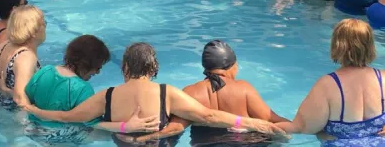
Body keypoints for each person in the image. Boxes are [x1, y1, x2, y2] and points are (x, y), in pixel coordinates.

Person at [23, 42, 283, 139]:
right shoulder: (166, 93)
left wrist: (32, 109)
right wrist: (255, 123)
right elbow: (209, 116)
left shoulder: (107, 96)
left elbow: (66, 118)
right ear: (154, 68)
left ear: (125, 67)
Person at [123, 40, 289, 144]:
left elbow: (174, 129)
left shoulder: (190, 92)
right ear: (233, 66)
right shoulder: (244, 88)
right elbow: (272, 121)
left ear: (205, 68)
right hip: (247, 142)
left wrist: (140, 139)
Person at [25, 35, 159, 139]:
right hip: (60, 137)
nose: (98, 72)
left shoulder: (46, 71)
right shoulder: (82, 88)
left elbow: (28, 96)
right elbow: (93, 124)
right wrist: (125, 127)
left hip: (32, 130)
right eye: (98, 67)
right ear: (87, 64)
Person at [0, 5, 45, 108]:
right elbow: (20, 99)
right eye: (43, 24)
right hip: (17, 115)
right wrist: (6, 90)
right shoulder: (26, 58)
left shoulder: (5, 46)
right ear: (34, 31)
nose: (45, 28)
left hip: (0, 105)